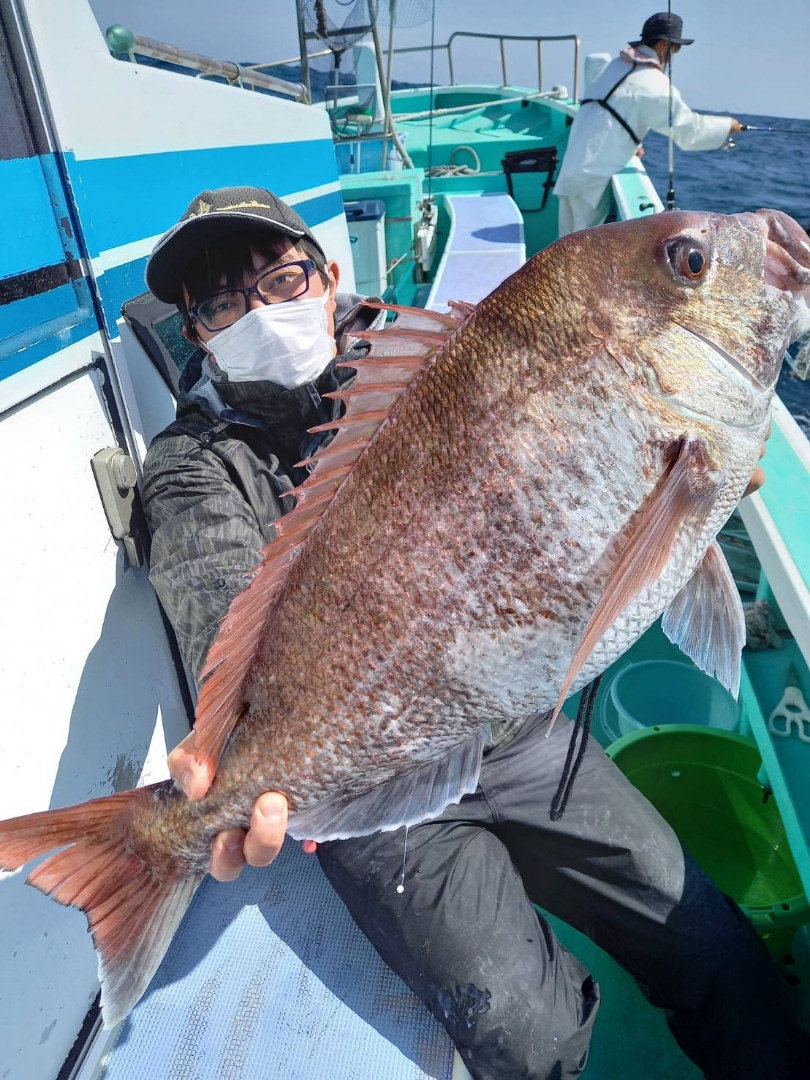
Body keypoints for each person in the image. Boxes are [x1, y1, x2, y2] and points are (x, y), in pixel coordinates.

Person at [142, 186, 809, 1080]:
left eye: (281, 277)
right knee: (530, 1040)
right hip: (376, 782)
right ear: (197, 334)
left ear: (329, 277)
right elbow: (222, 626)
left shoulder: (423, 352)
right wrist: (225, 780)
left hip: (517, 727)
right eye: (223, 302)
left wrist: (681, 500)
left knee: (709, 940)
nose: (259, 310)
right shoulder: (191, 468)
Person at [553, 12, 743, 236]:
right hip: (591, 183)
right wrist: (727, 125)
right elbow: (689, 131)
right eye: (675, 49)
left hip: (570, 171)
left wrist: (632, 145)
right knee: (581, 254)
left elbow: (612, 114)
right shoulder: (653, 84)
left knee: (564, 246)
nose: (673, 56)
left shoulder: (616, 67)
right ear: (663, 46)